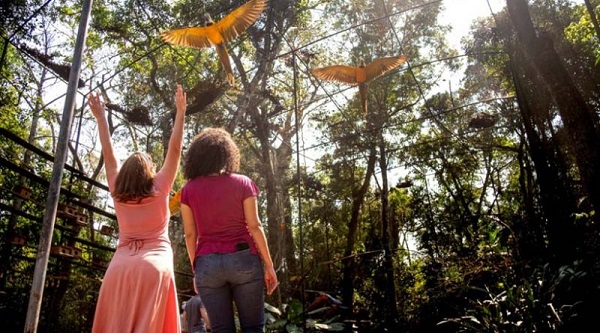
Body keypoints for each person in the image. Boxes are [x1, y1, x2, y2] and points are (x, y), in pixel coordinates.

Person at [88, 84, 187, 333]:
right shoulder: (160, 186)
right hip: (154, 265)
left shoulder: (117, 190)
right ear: (150, 171)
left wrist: (101, 118)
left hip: (119, 269)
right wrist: (180, 112)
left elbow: (109, 156)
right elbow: (174, 150)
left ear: (125, 174)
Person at [180, 127, 278, 333]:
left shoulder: (188, 190)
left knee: (221, 329)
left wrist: (196, 270)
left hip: (207, 264)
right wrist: (269, 265)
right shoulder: (243, 183)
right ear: (227, 153)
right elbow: (255, 226)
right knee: (253, 328)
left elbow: (190, 235)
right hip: (243, 259)